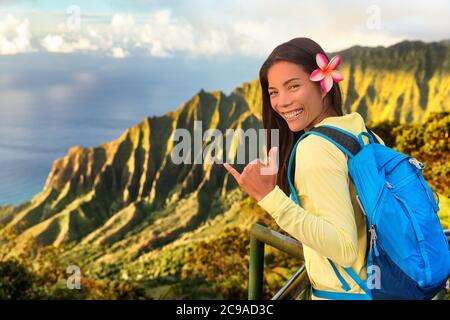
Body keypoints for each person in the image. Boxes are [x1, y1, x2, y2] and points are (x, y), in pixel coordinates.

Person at [223, 37, 385, 300]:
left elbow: (344, 249)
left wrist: (269, 198)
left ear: (323, 87)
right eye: (273, 92)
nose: (282, 102)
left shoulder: (315, 147)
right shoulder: (363, 132)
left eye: (294, 86)